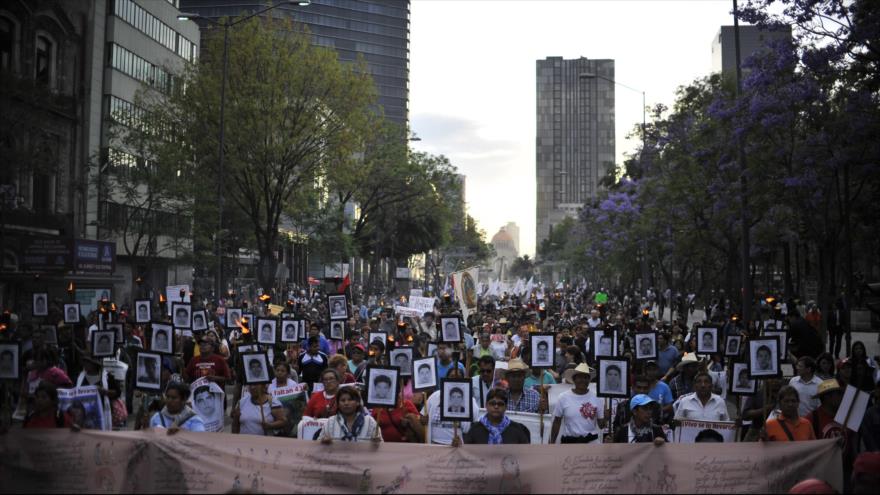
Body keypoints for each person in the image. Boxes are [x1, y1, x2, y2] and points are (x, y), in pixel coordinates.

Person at [550, 363, 605, 444]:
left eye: (586, 377)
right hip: (569, 443)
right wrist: (552, 443)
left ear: (589, 380)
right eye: (580, 377)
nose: (583, 380)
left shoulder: (597, 398)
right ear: (574, 379)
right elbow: (557, 421)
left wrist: (606, 417)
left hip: (591, 443)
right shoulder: (563, 397)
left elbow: (601, 425)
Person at [459, 389, 531, 445]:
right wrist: (458, 447)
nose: (496, 406)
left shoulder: (517, 429)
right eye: (492, 403)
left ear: (506, 407)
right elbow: (467, 453)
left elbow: (525, 453)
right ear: (486, 405)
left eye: (500, 404)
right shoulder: (475, 428)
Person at [268, 361, 305, 436]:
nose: (279, 372)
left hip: (290, 420)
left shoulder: (293, 385)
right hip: (273, 418)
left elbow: (298, 404)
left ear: (288, 373)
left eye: (282, 371)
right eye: (277, 370)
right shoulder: (270, 385)